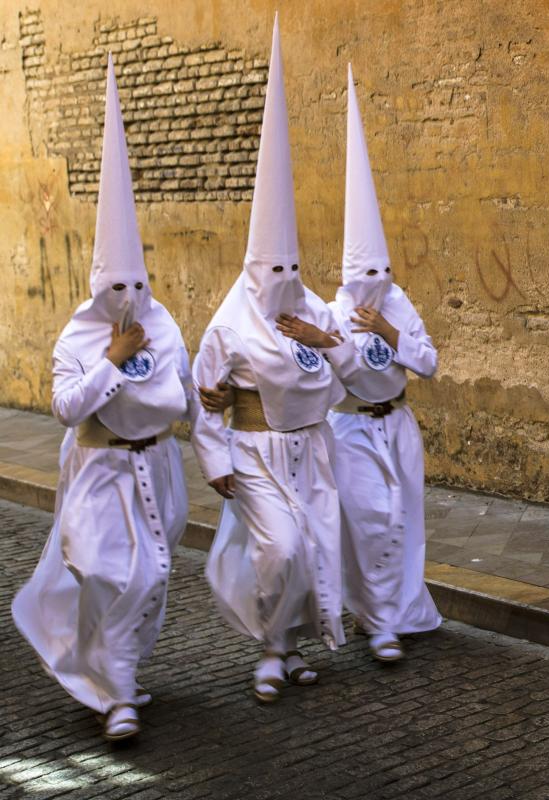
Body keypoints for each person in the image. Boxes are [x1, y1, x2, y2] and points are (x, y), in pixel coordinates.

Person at [11, 56, 196, 741]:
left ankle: (118, 677)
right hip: (98, 472)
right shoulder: (78, 334)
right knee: (103, 570)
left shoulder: (166, 322)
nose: (127, 299)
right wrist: (113, 365)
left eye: (134, 285)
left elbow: (182, 391)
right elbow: (66, 407)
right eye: (114, 286)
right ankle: (114, 691)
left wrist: (211, 438)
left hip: (156, 469)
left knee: (149, 577)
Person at [191, 17, 358, 702]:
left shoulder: (314, 308)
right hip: (257, 452)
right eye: (275, 267)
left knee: (311, 551)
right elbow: (205, 397)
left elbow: (357, 371)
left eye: (294, 265)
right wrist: (217, 461)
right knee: (281, 549)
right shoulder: (228, 324)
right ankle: (269, 646)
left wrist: (329, 343)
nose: (287, 276)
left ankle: (288, 647)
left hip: (311, 449)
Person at [325, 65, 441, 661]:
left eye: (380, 273)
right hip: (350, 427)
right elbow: (324, 376)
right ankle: (377, 618)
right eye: (362, 275)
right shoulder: (330, 310)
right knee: (369, 517)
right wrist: (334, 344)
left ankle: (399, 609)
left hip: (396, 422)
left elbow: (428, 363)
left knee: (403, 516)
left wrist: (391, 331)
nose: (372, 284)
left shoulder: (397, 303)